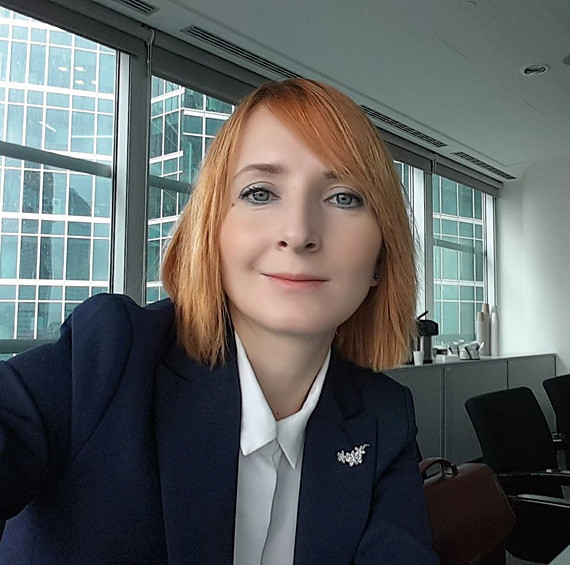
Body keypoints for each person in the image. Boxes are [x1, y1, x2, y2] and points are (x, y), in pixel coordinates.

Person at [0, 78, 437, 564]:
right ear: (213, 230)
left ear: (381, 256)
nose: (298, 233)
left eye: (343, 197)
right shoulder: (108, 357)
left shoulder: (384, 416)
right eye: (260, 193)